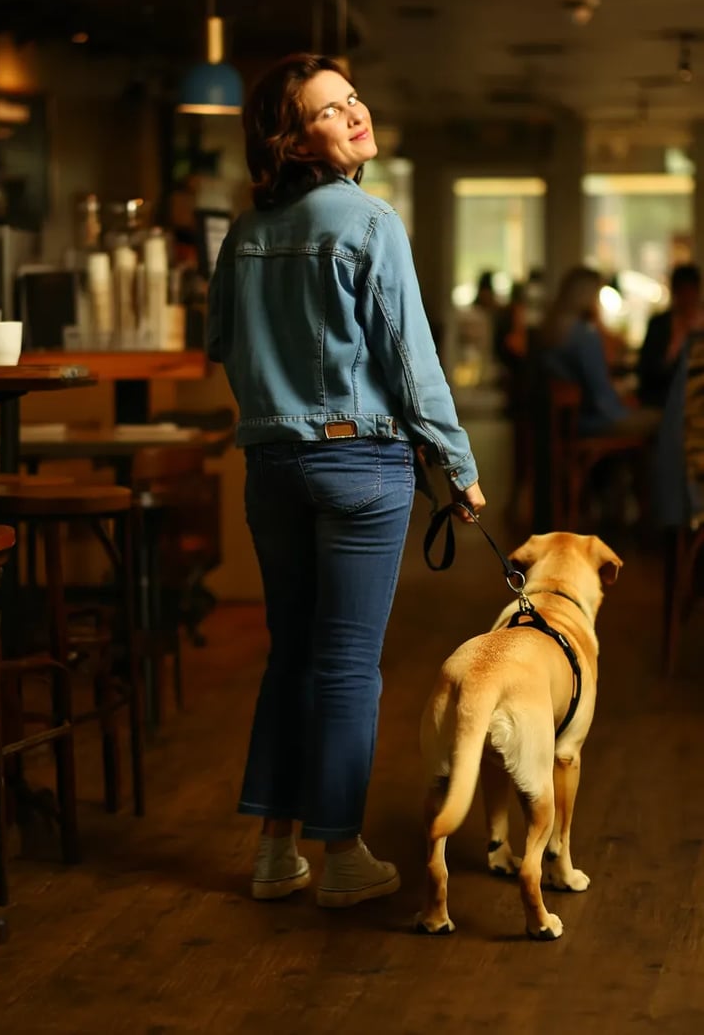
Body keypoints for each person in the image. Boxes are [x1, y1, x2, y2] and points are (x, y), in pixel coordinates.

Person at [207, 52, 485, 908]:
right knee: (347, 666)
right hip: (359, 463)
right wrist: (461, 468)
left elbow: (223, 345)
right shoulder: (369, 222)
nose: (356, 113)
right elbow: (413, 362)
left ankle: (273, 852)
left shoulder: (245, 235)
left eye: (355, 97)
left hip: (271, 463)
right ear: (294, 138)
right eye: (331, 109)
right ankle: (342, 857)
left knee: (290, 654)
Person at [539, 264, 659, 438]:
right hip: (589, 422)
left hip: (560, 424)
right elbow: (601, 397)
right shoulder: (584, 335)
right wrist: (624, 390)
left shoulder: (550, 330)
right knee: (665, 419)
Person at [637, 262, 702, 408]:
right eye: (682, 292)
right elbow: (647, 373)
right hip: (664, 401)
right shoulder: (659, 325)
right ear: (675, 293)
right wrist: (677, 342)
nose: (687, 299)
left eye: (690, 292)